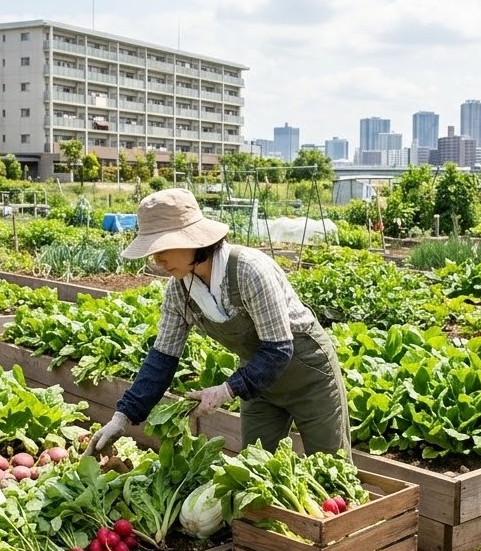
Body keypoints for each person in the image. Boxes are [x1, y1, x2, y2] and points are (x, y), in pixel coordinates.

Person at [84, 188, 353, 458]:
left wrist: (225, 391)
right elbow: (162, 359)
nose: (157, 260)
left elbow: (279, 348)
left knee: (330, 466)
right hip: (258, 382)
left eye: (162, 248)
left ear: (193, 239)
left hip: (308, 376)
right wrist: (122, 417)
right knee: (254, 467)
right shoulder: (180, 291)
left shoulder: (248, 270)